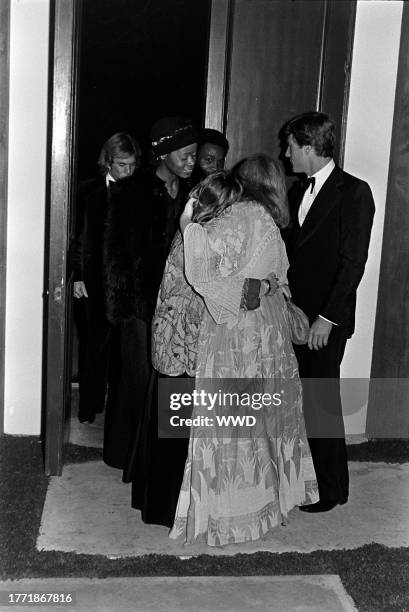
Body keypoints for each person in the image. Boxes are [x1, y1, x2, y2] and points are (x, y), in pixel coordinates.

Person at [169, 160, 318, 546]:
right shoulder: (266, 219)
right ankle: (273, 503)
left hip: (234, 333)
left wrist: (189, 225)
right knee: (269, 414)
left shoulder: (235, 216)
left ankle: (234, 515)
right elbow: (280, 276)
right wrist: (262, 286)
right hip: (270, 331)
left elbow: (200, 274)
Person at [282, 111, 375, 513]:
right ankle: (302, 480)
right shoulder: (294, 191)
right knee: (299, 401)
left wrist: (328, 318)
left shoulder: (354, 192)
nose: (285, 155)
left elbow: (353, 262)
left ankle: (332, 490)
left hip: (325, 320)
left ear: (308, 147)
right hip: (295, 315)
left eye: (290, 147)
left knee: (321, 402)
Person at [72, 131, 148, 470]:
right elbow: (76, 236)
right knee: (93, 345)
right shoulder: (87, 190)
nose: (127, 171)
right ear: (108, 161)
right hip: (92, 280)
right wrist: (77, 276)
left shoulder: (138, 191)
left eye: (132, 165)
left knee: (125, 351)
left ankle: (119, 415)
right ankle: (88, 406)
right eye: (121, 165)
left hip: (125, 284)